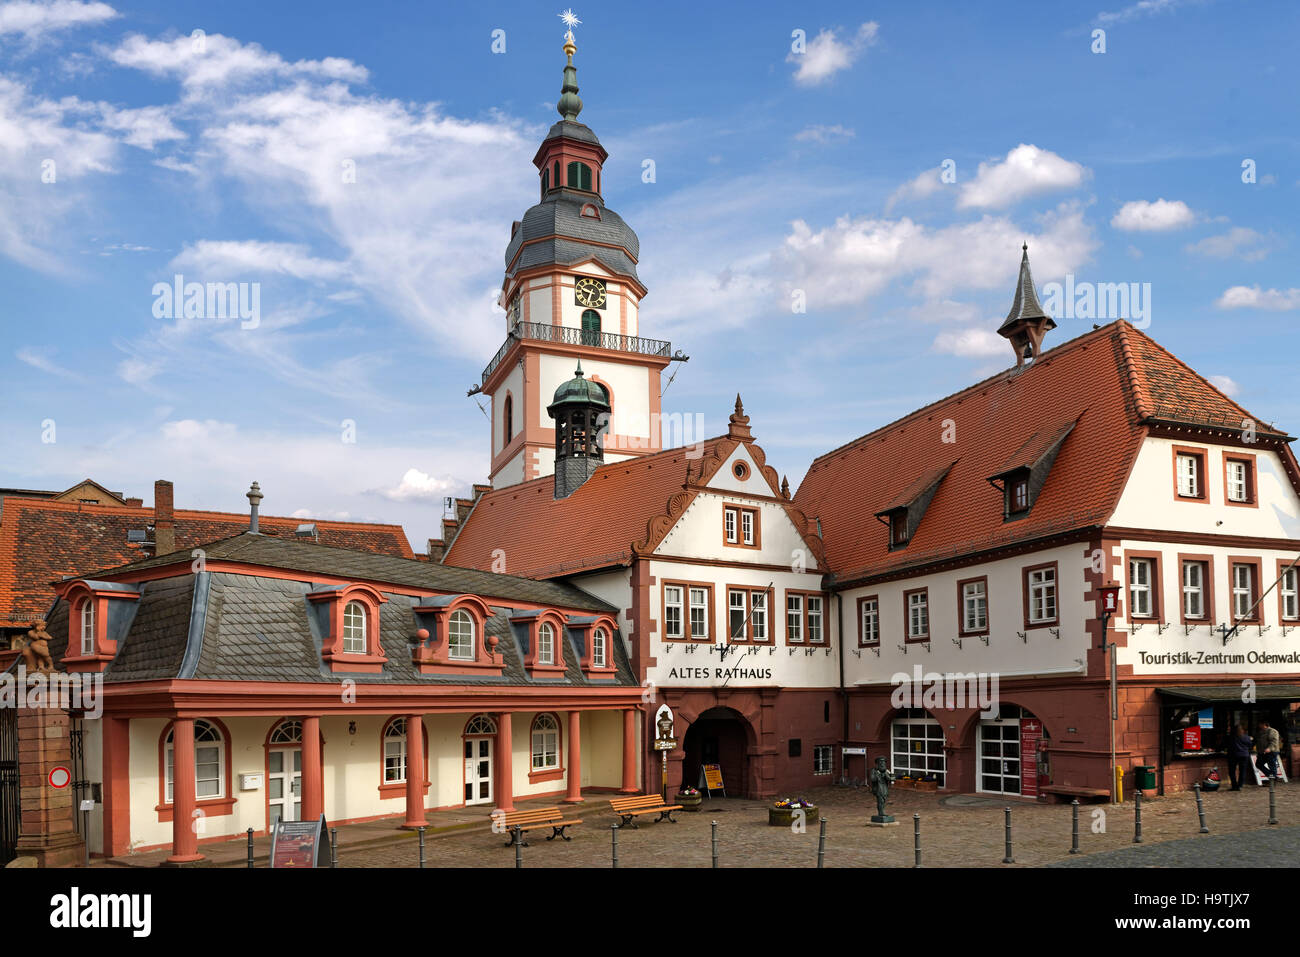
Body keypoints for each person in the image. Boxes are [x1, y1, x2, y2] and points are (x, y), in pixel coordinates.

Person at [1227, 725, 1252, 790]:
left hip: (1233, 755)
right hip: (1244, 755)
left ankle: (1234, 785)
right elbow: (1250, 745)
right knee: (1242, 771)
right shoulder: (1246, 737)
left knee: (1232, 771)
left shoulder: (1231, 737)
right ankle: (1240, 785)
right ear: (1242, 730)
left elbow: (1225, 745)